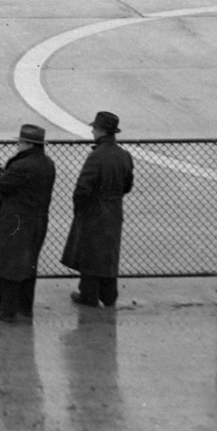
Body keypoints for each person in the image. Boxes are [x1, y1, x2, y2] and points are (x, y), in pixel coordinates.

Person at [0, 123, 56, 323]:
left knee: (9, 266)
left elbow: (3, 184)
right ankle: (25, 308)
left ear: (28, 144)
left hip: (15, 223)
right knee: (28, 266)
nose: (18, 145)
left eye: (21, 142)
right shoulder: (47, 163)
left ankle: (6, 310)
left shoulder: (23, 165)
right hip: (37, 221)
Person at [62, 111, 134, 307]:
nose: (92, 131)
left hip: (94, 211)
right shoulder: (124, 156)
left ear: (101, 131)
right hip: (114, 210)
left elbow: (81, 190)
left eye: (94, 128)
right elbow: (127, 186)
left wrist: (80, 211)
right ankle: (109, 295)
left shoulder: (96, 156)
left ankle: (89, 295)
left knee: (90, 255)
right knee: (109, 254)